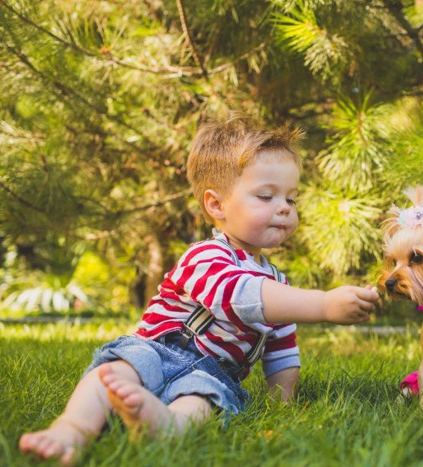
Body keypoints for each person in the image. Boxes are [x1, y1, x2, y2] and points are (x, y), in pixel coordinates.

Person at [19, 113, 379, 464]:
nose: (284, 209)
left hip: (212, 372)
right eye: (267, 197)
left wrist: (281, 402)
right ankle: (72, 429)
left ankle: (165, 425)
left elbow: (281, 351)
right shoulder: (206, 256)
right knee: (114, 371)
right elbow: (239, 296)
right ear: (217, 205)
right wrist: (324, 305)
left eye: (291, 198)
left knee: (203, 399)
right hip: (157, 350)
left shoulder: (280, 285)